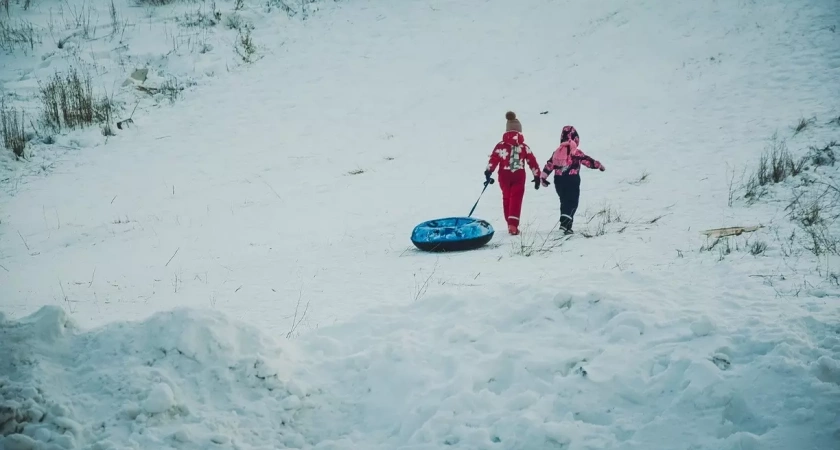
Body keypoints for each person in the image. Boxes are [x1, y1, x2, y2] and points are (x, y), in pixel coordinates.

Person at [539, 125, 605, 235]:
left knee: (564, 202)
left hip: (559, 181)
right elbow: (588, 161)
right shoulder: (576, 152)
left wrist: (543, 177)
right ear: (576, 138)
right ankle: (565, 224)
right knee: (572, 202)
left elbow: (550, 164)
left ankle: (566, 226)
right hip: (572, 180)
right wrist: (599, 166)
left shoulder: (557, 151)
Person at [484, 111, 542, 235]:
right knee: (516, 198)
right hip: (518, 174)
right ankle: (513, 224)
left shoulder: (500, 146)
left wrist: (489, 171)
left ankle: (509, 223)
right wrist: (537, 176)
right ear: (519, 132)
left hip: (504, 175)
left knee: (506, 198)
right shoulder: (524, 147)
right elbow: (532, 161)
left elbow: (493, 159)